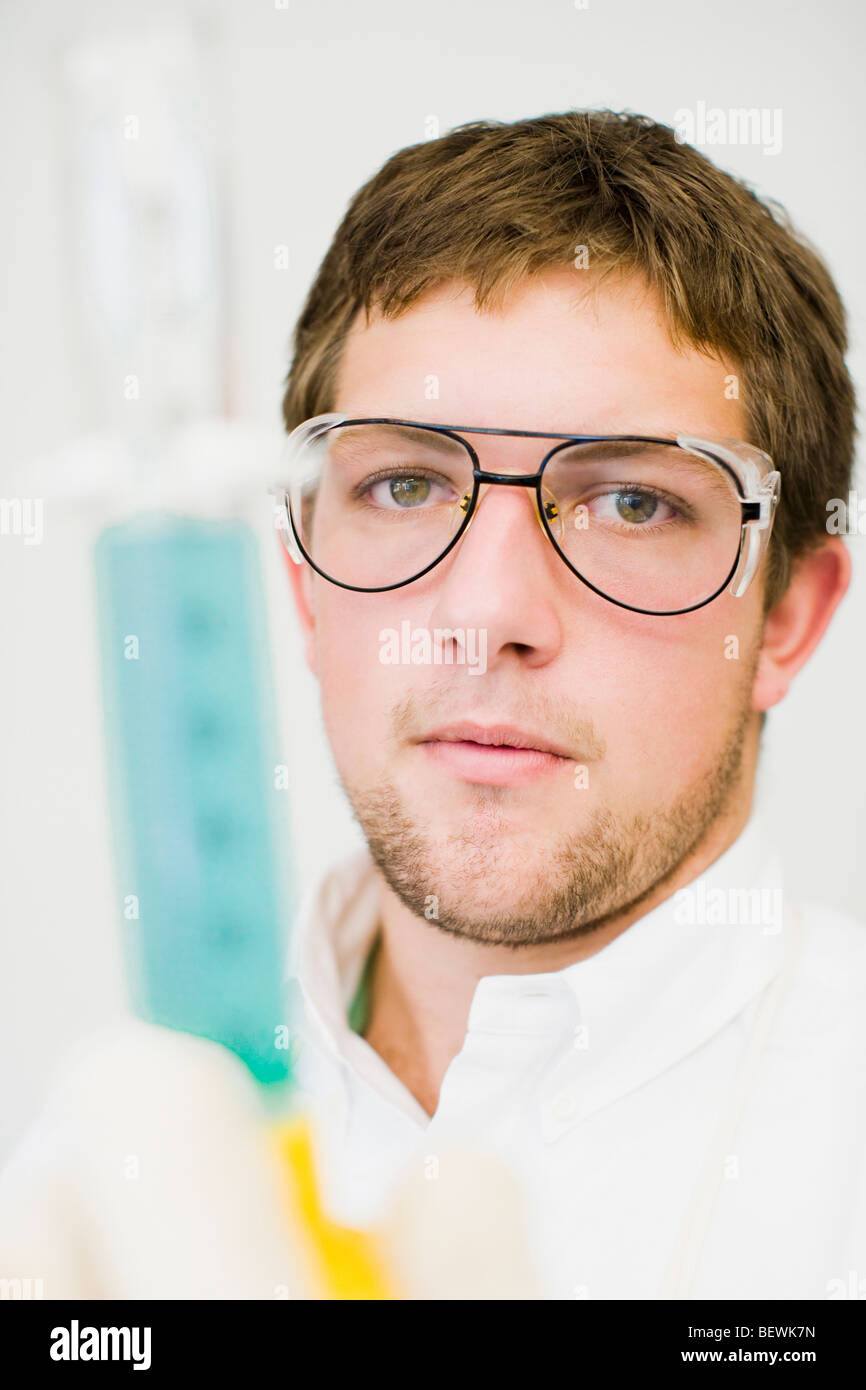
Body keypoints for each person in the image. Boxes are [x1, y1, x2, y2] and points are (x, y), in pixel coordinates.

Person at [274, 108, 865, 1300]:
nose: (487, 612)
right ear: (304, 584)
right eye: (403, 484)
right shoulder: (113, 1155)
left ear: (784, 620)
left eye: (632, 504)